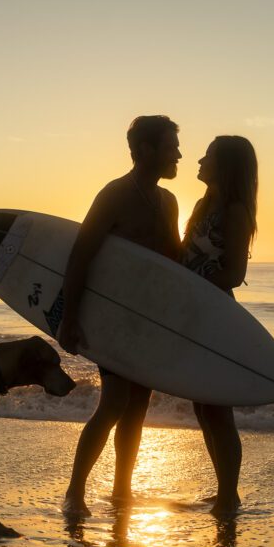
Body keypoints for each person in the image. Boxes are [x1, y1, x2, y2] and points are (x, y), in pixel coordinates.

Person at [59, 115, 182, 518]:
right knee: (113, 403)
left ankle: (121, 490)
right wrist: (69, 316)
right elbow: (80, 256)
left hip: (147, 322)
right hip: (112, 319)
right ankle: (74, 492)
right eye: (169, 146)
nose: (177, 153)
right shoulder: (114, 195)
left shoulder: (168, 201)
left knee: (138, 408)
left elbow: (172, 263)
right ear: (144, 150)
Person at [182, 135, 259, 517]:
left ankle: (230, 496)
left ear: (224, 165)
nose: (199, 159)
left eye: (208, 155)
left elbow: (233, 274)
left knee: (218, 410)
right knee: (202, 407)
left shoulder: (235, 211)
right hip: (192, 314)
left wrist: (196, 285)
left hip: (217, 317)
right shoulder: (203, 204)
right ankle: (224, 490)